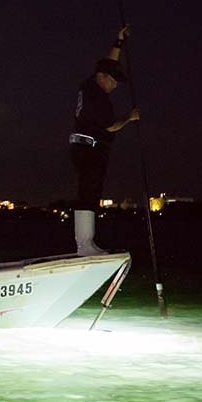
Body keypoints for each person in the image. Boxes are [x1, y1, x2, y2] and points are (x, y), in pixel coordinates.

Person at [70, 25, 141, 255]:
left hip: (82, 146)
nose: (115, 85)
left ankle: (87, 243)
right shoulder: (98, 100)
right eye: (113, 81)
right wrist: (130, 117)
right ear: (103, 78)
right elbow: (112, 126)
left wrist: (118, 41)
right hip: (89, 148)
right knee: (89, 192)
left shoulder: (90, 84)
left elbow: (107, 63)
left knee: (90, 191)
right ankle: (84, 244)